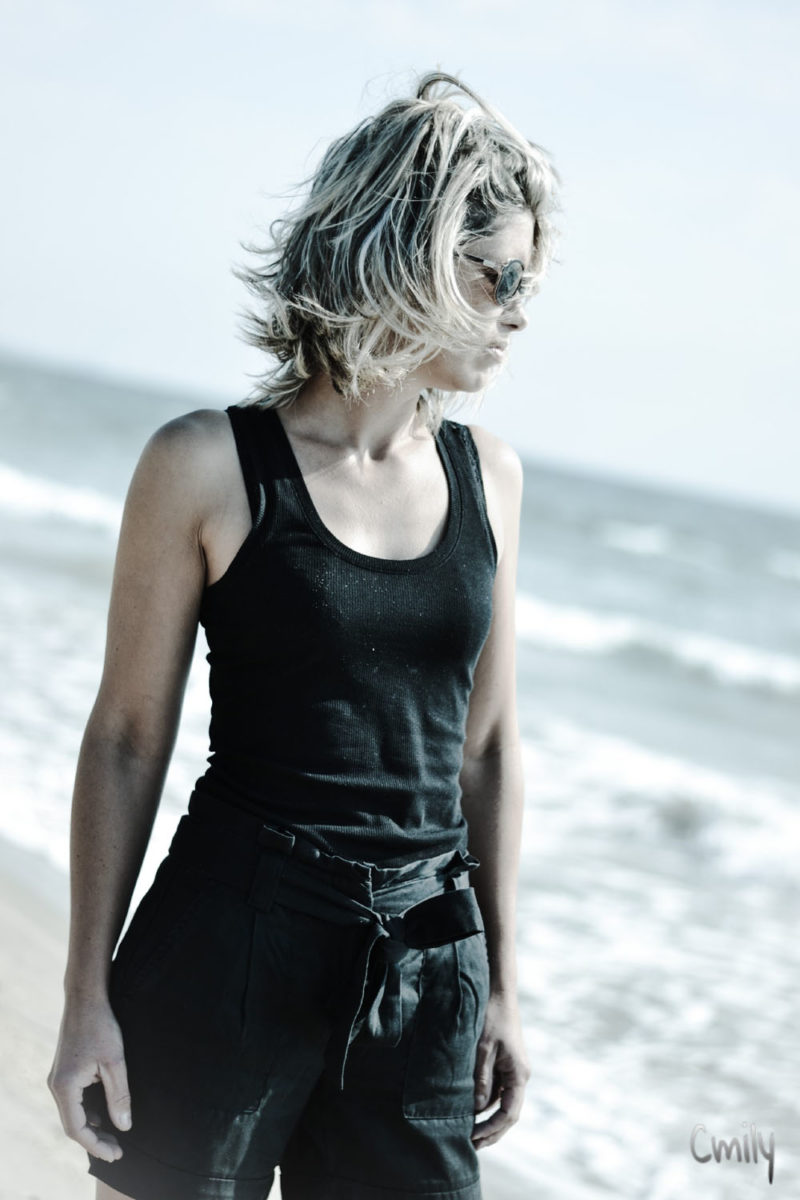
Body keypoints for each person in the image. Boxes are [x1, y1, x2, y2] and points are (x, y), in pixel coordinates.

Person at [47, 69, 560, 1200]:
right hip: (228, 949)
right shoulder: (203, 466)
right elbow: (127, 738)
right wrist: (85, 997)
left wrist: (505, 986)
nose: (521, 308)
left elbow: (485, 751)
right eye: (499, 276)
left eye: (531, 278)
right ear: (407, 257)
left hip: (425, 967)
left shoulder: (493, 483)